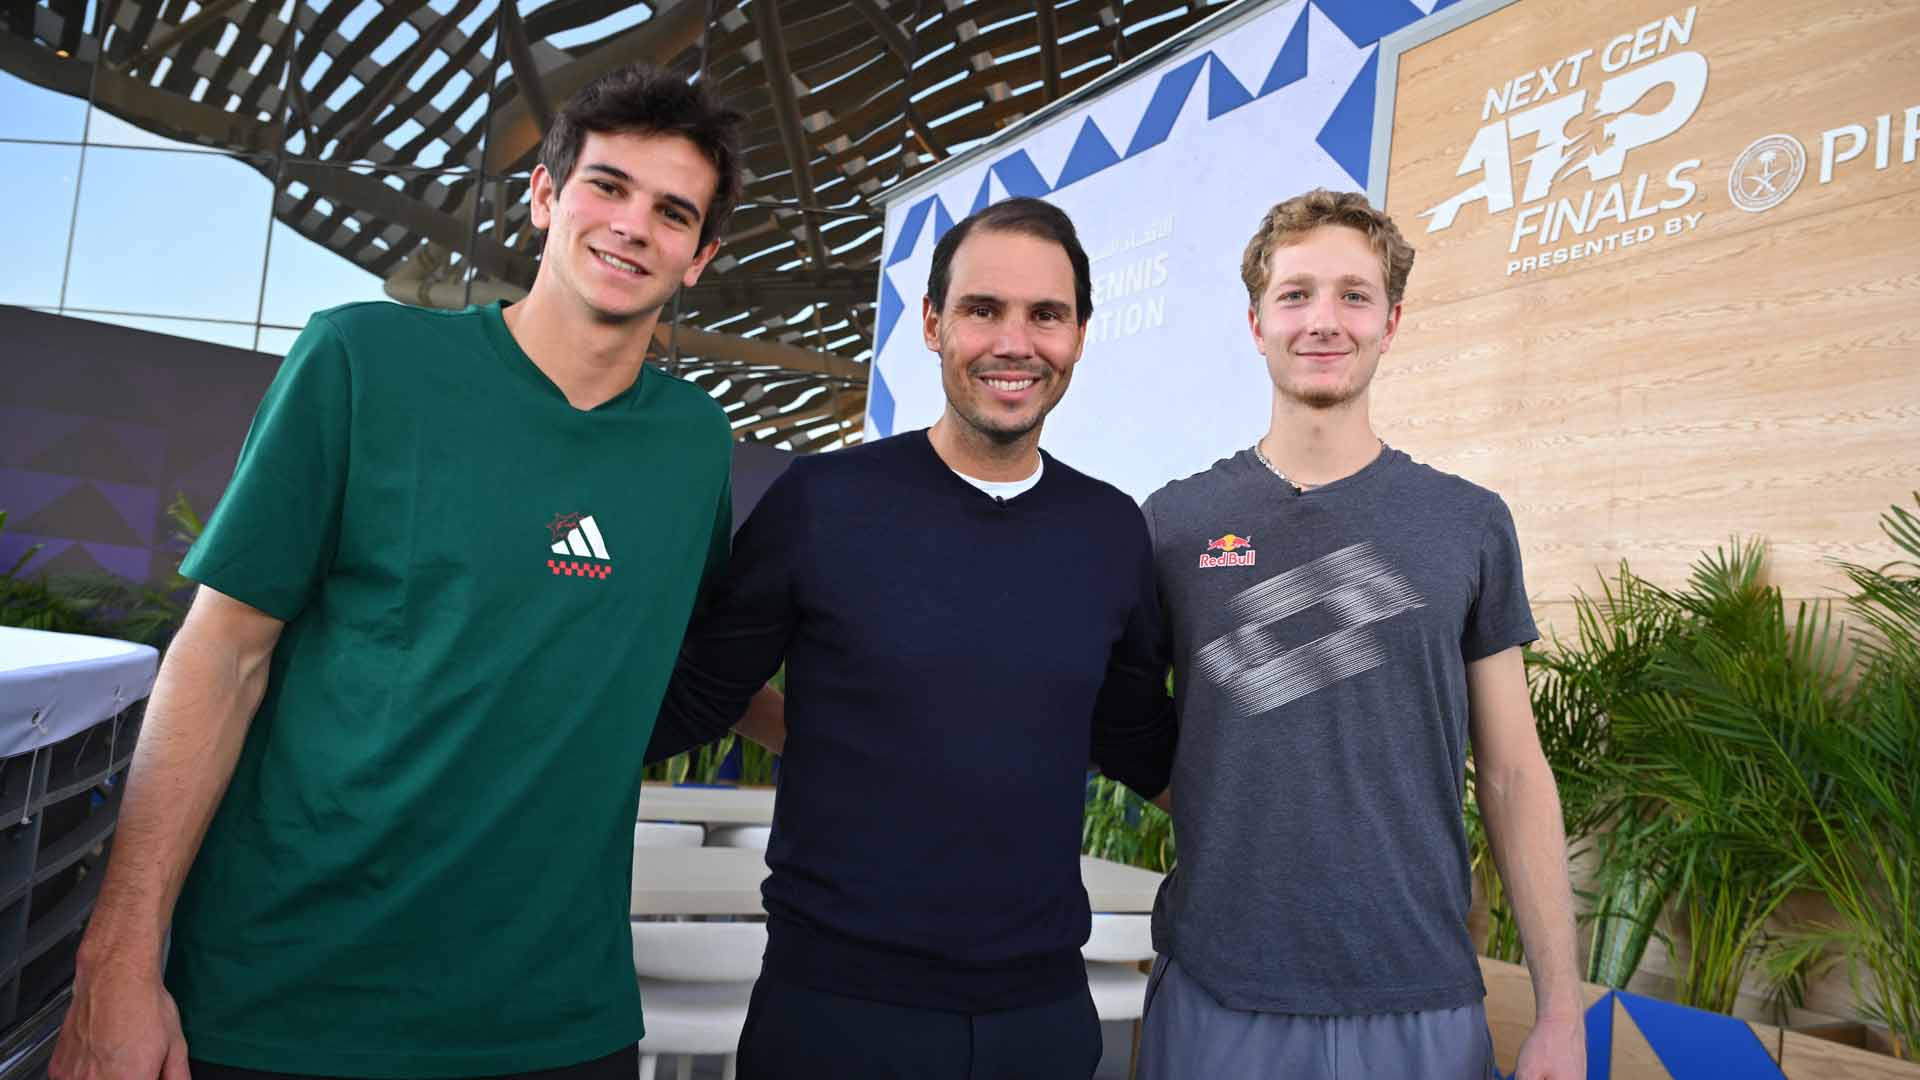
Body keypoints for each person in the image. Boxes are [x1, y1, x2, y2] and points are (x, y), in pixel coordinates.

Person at [51, 64, 744, 1080]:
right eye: (607, 186)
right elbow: (221, 657)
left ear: (700, 257)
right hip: (284, 1001)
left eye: (672, 212)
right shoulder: (362, 360)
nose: (633, 225)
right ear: (547, 199)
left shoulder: (694, 446)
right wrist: (116, 959)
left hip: (554, 1022)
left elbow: (679, 666)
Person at [644, 196, 1176, 1080]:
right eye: (982, 310)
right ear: (932, 324)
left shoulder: (1111, 529)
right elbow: (706, 687)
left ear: (1080, 334)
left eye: (1046, 314)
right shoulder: (824, 501)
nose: (1015, 342)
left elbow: (1129, 732)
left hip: (1038, 1015)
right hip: (835, 1010)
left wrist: (1282, 831)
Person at [1136, 189, 1586, 1080]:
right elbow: (1116, 720)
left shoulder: (1467, 522)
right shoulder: (1174, 526)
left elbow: (1512, 771)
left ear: (1393, 320)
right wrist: (1231, 806)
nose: (1324, 321)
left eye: (1354, 294)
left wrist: (1561, 1009)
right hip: (1221, 992)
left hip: (1419, 997)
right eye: (1296, 294)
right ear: (1256, 322)